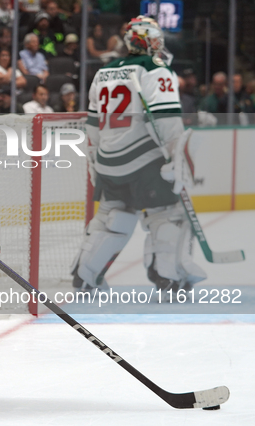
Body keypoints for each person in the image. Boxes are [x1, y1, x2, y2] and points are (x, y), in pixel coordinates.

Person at [71, 16, 206, 297]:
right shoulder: (156, 68)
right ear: (145, 40)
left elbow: (93, 126)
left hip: (108, 160)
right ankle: (169, 277)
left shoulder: (103, 72)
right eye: (155, 38)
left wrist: (95, 159)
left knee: (112, 216)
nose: (159, 44)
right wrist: (176, 158)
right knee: (169, 214)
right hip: (146, 160)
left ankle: (85, 275)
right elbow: (166, 120)